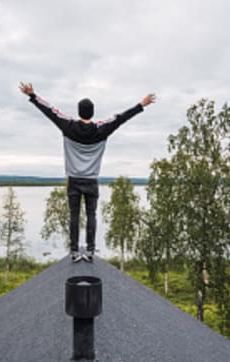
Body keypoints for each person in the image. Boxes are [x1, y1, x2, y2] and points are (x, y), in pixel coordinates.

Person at [19, 82, 155, 262]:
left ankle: (74, 250)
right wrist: (141, 105)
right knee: (91, 215)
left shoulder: (68, 127)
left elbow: (51, 112)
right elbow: (120, 118)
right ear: (92, 112)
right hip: (91, 181)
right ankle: (90, 250)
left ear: (78, 111)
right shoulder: (101, 129)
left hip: (74, 180)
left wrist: (33, 96)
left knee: (74, 215)